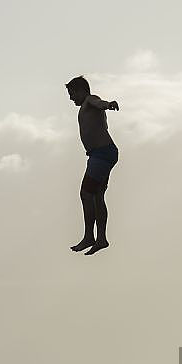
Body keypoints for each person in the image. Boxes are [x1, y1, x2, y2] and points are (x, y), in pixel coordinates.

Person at [65, 75, 119, 255]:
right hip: (102, 154)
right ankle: (101, 239)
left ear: (81, 90)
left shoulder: (90, 100)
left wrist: (108, 104)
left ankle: (89, 236)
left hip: (102, 154)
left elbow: (99, 103)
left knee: (85, 193)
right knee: (97, 196)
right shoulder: (85, 106)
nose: (71, 98)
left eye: (72, 94)